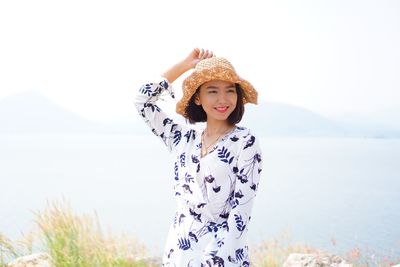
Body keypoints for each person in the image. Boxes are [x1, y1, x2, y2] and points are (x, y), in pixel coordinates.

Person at [134, 48, 263, 267]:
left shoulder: (245, 141)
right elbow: (142, 101)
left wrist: (219, 258)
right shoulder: (181, 137)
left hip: (223, 253)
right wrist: (185, 65)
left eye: (230, 90)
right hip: (180, 249)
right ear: (197, 98)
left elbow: (242, 210)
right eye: (212, 91)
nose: (223, 99)